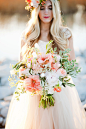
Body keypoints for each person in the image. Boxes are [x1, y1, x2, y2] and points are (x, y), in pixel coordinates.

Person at [5, 0, 86, 129]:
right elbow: (22, 67)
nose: (47, 12)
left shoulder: (65, 34)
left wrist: (54, 73)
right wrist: (34, 76)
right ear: (36, 10)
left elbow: (72, 64)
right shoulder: (27, 35)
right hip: (34, 93)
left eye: (50, 7)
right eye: (42, 8)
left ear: (55, 10)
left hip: (59, 90)